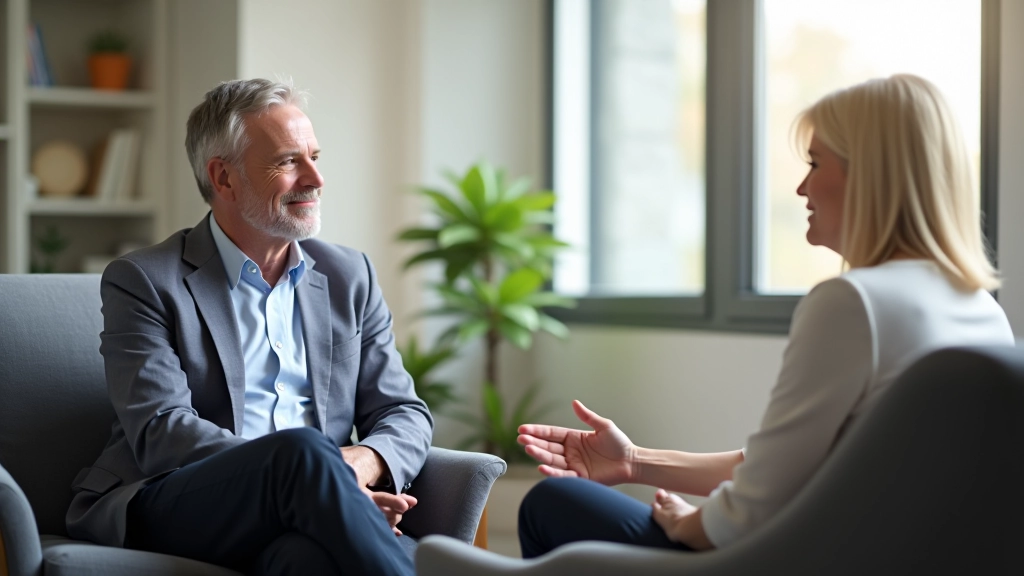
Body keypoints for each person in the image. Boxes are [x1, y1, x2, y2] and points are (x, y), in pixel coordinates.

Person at [516, 74, 1015, 556]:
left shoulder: (853, 303)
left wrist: (687, 521)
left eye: (816, 164)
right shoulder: (982, 311)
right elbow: (787, 469)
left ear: (868, 176)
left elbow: (745, 515)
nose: (802, 188)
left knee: (553, 503)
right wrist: (635, 462)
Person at [64, 79, 432, 576]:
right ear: (224, 178)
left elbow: (404, 411)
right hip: (178, 496)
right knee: (300, 454)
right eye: (287, 162)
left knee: (302, 559)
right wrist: (310, 475)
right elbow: (159, 431)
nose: (316, 179)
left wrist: (354, 468)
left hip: (313, 503)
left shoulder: (350, 276)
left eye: (315, 157)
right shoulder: (144, 281)